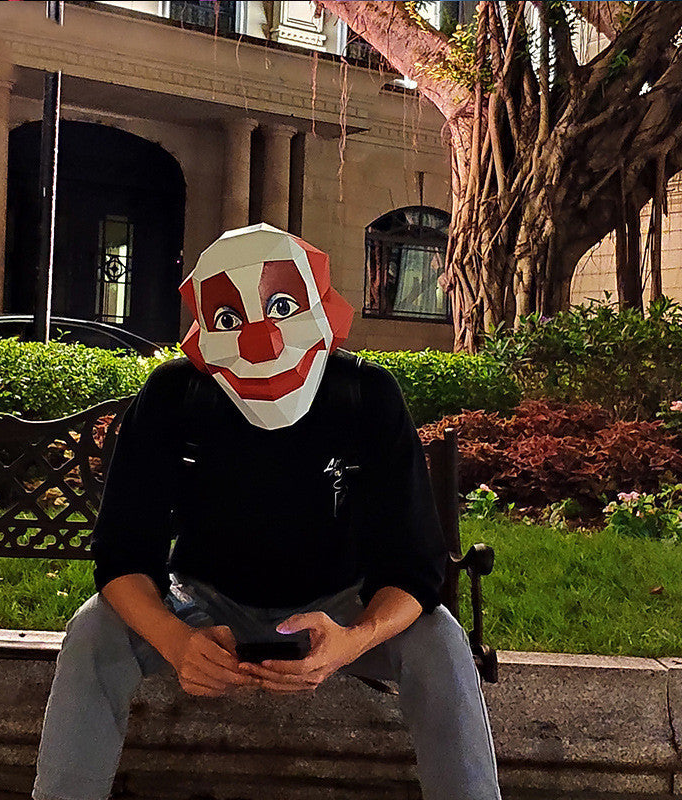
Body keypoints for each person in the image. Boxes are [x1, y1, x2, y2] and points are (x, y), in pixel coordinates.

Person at [32, 224, 501, 800]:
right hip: (203, 601)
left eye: (282, 308)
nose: (260, 342)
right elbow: (123, 554)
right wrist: (177, 641)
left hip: (341, 606)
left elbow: (415, 566)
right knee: (93, 633)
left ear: (324, 312)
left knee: (441, 643)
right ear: (202, 336)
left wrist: (354, 640)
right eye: (230, 320)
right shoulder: (173, 398)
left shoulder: (367, 396)